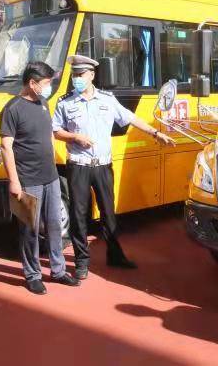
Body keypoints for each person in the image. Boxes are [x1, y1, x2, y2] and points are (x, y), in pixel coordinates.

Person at [52, 55, 176, 279]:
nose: (76, 79)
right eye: (74, 75)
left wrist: (157, 134)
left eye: (81, 75)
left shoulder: (107, 100)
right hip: (78, 166)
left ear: (92, 75)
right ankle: (81, 261)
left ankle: (115, 255)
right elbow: (56, 131)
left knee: (109, 213)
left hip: (102, 166)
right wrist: (75, 137)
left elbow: (130, 118)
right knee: (78, 215)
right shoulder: (65, 102)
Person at [0, 61, 80, 295]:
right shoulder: (12, 109)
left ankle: (58, 270)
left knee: (55, 225)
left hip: (51, 177)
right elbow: (6, 147)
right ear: (32, 83)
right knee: (29, 230)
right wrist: (14, 181)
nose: (48, 87)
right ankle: (32, 274)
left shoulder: (43, 103)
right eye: (46, 83)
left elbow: (49, 137)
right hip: (27, 180)